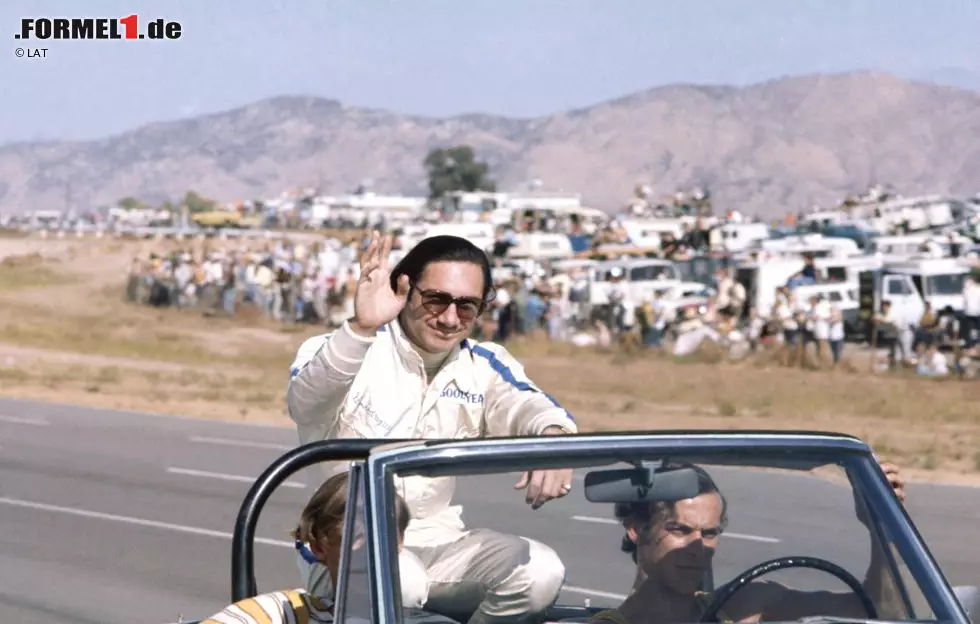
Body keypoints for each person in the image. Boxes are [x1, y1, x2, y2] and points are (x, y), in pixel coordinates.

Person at [287, 232, 577, 624]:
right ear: (403, 289)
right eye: (436, 299)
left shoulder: (484, 363)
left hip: (440, 540)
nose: (450, 318)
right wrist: (361, 327)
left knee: (540, 573)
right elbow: (304, 403)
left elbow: (530, 404)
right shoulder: (342, 348)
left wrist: (554, 440)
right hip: (346, 545)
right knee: (399, 582)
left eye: (467, 306)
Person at [590, 461, 907, 624]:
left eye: (710, 533)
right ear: (636, 530)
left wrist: (880, 527)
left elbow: (882, 612)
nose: (698, 548)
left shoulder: (745, 606)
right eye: (680, 530)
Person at [200, 472, 417, 624]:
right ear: (318, 548)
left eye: (383, 535)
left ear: (400, 542)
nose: (372, 553)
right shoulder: (284, 612)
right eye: (355, 538)